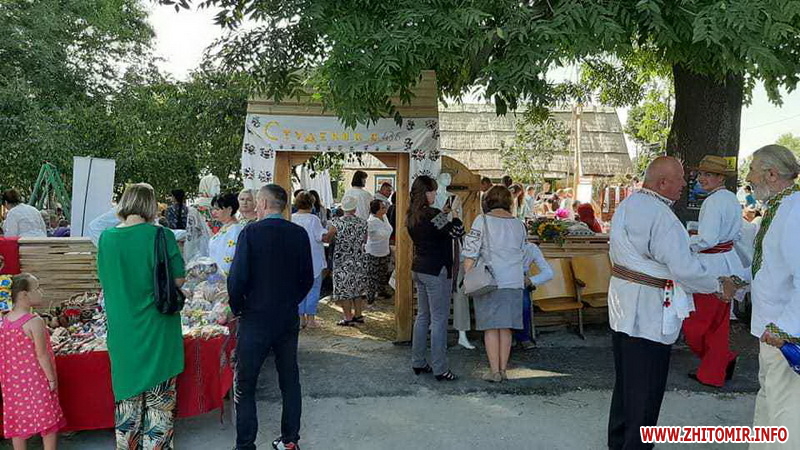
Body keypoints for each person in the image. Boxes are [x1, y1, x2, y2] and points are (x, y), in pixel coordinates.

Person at [607, 157, 736, 450]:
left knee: (627, 381)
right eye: (679, 179)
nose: (684, 185)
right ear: (662, 182)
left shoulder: (629, 204)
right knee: (646, 387)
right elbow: (683, 268)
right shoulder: (660, 215)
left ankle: (619, 442)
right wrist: (717, 285)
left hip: (624, 303)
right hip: (649, 309)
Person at [96, 183, 186, 449]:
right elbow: (178, 279)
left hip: (123, 330)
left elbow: (105, 280)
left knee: (127, 402)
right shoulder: (162, 235)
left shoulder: (107, 239)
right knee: (159, 406)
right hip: (159, 328)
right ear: (150, 205)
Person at [228, 184, 313, 450]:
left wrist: (238, 307)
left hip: (255, 316)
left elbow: (237, 279)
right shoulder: (298, 234)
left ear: (263, 204)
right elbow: (307, 278)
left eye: (256, 201)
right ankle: (290, 440)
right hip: (286, 316)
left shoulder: (250, 233)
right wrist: (291, 301)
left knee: (246, 384)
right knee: (289, 380)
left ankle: (245, 444)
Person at [744, 145, 800, 446]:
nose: (748, 177)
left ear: (772, 174)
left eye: (752, 170)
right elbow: (769, 267)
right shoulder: (780, 207)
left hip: (784, 335)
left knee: (786, 411)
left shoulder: (795, 211)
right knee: (769, 399)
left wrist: (785, 327)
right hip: (770, 330)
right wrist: (739, 281)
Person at [681, 155, 746, 388]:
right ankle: (716, 366)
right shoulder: (731, 198)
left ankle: (717, 365)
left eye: (708, 174)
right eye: (701, 174)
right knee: (718, 324)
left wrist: (685, 243)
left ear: (721, 177)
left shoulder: (713, 202)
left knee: (696, 324)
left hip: (710, 268)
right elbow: (737, 234)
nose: (702, 178)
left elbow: (707, 240)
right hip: (726, 262)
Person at [462, 186, 527, 382]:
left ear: (488, 201)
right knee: (506, 328)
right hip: (514, 281)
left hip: (489, 280)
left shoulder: (481, 221)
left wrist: (467, 276)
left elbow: (470, 251)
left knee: (490, 328)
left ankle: (494, 371)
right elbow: (523, 252)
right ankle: (504, 369)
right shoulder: (519, 224)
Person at [407, 175, 464, 382]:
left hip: (420, 268)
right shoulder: (433, 214)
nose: (435, 194)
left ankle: (418, 361)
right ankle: (440, 368)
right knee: (439, 319)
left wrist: (445, 213)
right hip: (437, 270)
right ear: (426, 193)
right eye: (433, 191)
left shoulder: (412, 215)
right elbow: (457, 231)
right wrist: (455, 213)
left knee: (423, 316)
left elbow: (436, 230)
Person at [0, 273, 65, 450]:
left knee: (17, 422)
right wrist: (51, 379)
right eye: (37, 288)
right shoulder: (34, 322)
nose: (41, 292)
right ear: (24, 295)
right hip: (37, 380)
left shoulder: (5, 321)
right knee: (48, 421)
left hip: (13, 383)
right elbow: (42, 355)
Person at [292, 192, 335, 329]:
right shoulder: (313, 219)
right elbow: (323, 238)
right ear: (311, 203)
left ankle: (300, 318)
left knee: (298, 289)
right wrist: (332, 230)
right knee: (313, 288)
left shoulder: (291, 218)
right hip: (313, 259)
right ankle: (311, 319)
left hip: (296, 260)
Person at [329, 196, 368, 326]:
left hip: (342, 260)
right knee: (358, 288)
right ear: (354, 208)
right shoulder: (363, 223)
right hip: (358, 259)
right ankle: (358, 315)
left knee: (344, 289)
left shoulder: (336, 223)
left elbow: (328, 238)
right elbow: (365, 240)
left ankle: (347, 317)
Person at [514, 242, 554, 350]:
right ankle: (497, 335)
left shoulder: (531, 248)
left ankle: (523, 337)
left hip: (520, 279)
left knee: (524, 304)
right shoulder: (501, 244)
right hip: (500, 277)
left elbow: (549, 273)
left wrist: (531, 280)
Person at [209, 192, 244, 278]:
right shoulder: (225, 227)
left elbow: (230, 256)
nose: (213, 212)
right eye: (213, 209)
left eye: (217, 209)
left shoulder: (235, 230)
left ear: (229, 209)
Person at [365, 199, 393, 305]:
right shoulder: (371, 222)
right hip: (373, 251)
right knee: (372, 275)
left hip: (384, 250)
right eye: (382, 207)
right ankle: (370, 296)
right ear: (377, 210)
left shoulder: (384, 217)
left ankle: (381, 291)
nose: (385, 209)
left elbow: (389, 230)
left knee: (382, 273)